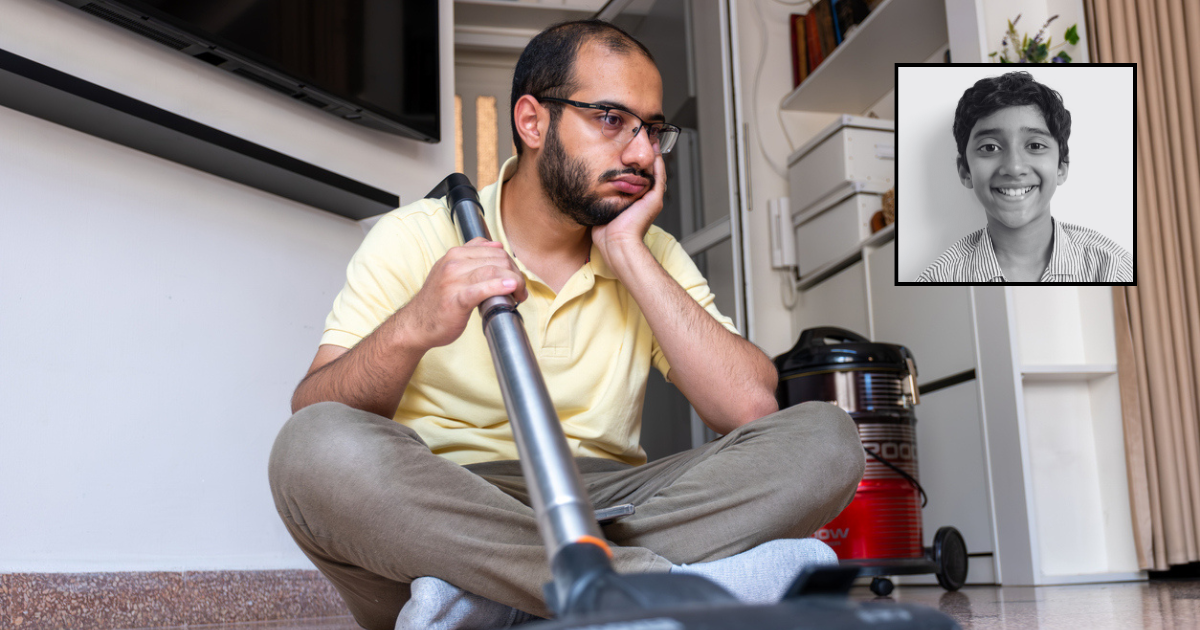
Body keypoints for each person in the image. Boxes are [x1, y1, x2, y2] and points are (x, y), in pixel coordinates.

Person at [268, 19, 864, 630]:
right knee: (309, 452)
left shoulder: (650, 251)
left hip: (609, 500)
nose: (640, 153)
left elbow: (749, 408)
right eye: (610, 118)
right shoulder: (416, 235)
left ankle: (492, 598)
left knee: (826, 440)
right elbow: (317, 408)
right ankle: (648, 588)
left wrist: (630, 253)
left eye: (653, 131)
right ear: (532, 122)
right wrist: (415, 323)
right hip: (447, 502)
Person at [916, 71, 1132, 283]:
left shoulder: (1114, 268)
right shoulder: (936, 279)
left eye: (1035, 145)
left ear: (1062, 166)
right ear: (965, 170)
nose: (1014, 167)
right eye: (990, 147)